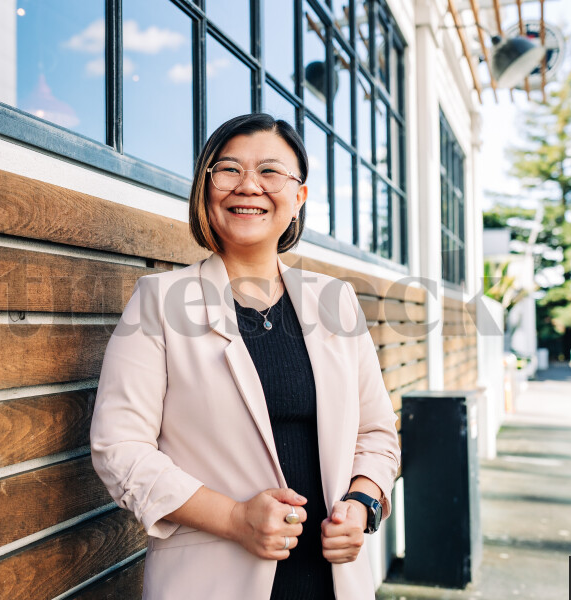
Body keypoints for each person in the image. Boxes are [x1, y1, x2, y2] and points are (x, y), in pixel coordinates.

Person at [90, 113, 400, 599]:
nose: (248, 186)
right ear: (205, 189)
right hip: (211, 581)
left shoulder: (335, 301)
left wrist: (362, 504)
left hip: (331, 582)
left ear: (298, 197)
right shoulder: (158, 300)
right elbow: (119, 449)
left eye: (270, 172)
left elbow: (376, 432)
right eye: (229, 169)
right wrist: (234, 518)